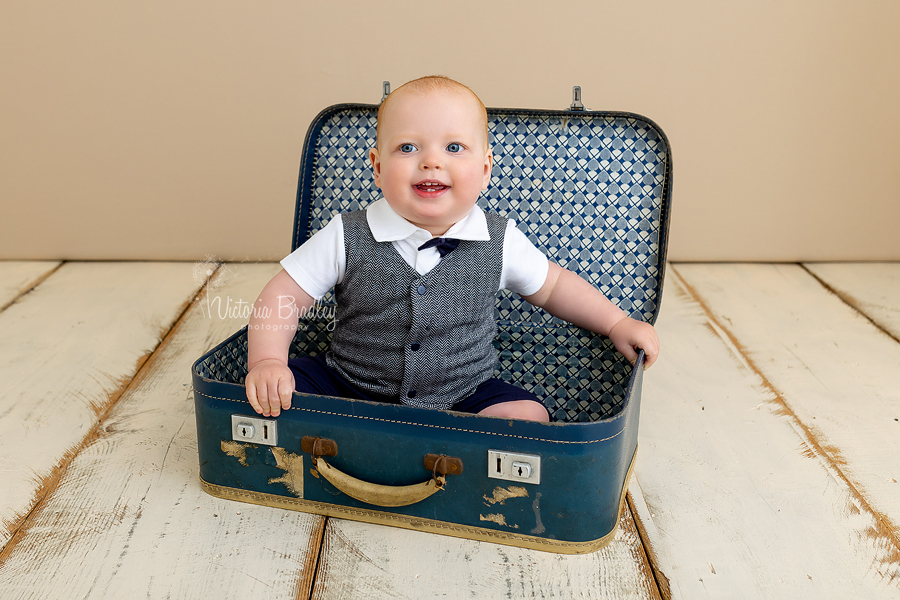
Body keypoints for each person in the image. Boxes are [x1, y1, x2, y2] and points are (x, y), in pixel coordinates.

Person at [245, 75, 659, 423]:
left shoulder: (500, 241)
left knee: (529, 416)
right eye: (408, 148)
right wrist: (266, 361)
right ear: (376, 167)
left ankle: (460, 446)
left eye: (454, 148)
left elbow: (554, 288)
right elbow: (282, 296)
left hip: (463, 393)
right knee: (277, 390)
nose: (431, 162)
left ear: (484, 171)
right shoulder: (346, 234)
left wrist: (616, 322)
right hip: (347, 383)